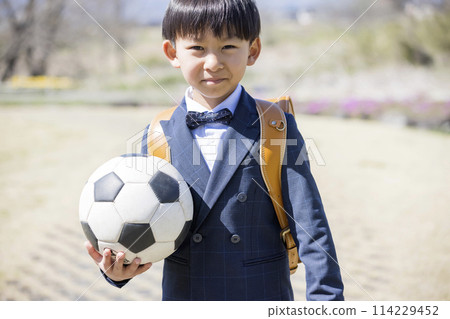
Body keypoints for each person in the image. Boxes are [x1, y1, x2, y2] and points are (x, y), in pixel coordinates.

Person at [85, 0, 344, 301]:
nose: (213, 63)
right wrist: (118, 269)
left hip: (261, 295)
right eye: (197, 48)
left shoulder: (275, 125)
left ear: (253, 50)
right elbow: (135, 220)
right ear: (172, 53)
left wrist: (327, 302)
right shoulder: (157, 134)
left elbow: (311, 226)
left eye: (228, 46)